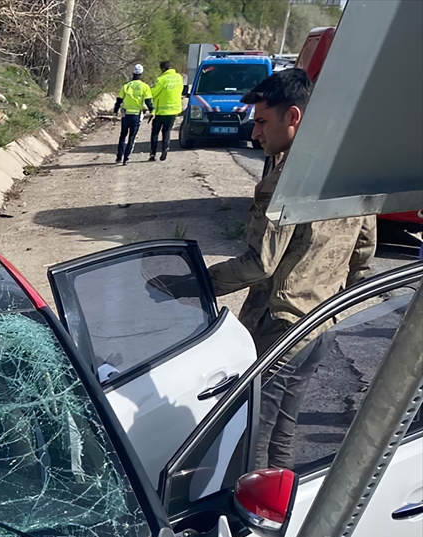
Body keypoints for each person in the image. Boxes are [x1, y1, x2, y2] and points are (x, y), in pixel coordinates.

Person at [153, 69, 375, 468]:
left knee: (249, 439)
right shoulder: (350, 170)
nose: (254, 134)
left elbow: (260, 264)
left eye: (261, 122)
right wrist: (332, 299)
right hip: (320, 324)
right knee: (282, 437)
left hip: (280, 327)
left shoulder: (286, 180)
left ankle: (243, 525)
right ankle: (279, 518)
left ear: (293, 117)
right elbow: (363, 250)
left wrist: (190, 284)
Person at [114, 64, 153, 165]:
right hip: (136, 115)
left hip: (126, 115)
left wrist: (115, 110)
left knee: (123, 135)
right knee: (132, 136)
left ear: (133, 73)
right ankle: (126, 158)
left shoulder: (126, 86)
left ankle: (119, 155)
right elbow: (148, 101)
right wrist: (152, 111)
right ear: (141, 74)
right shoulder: (145, 87)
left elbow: (119, 99)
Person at [149, 61, 183, 162]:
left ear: (163, 69)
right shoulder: (179, 78)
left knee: (155, 132)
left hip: (160, 111)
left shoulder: (161, 79)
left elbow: (154, 92)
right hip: (173, 111)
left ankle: (152, 154)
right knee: (166, 131)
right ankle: (165, 149)